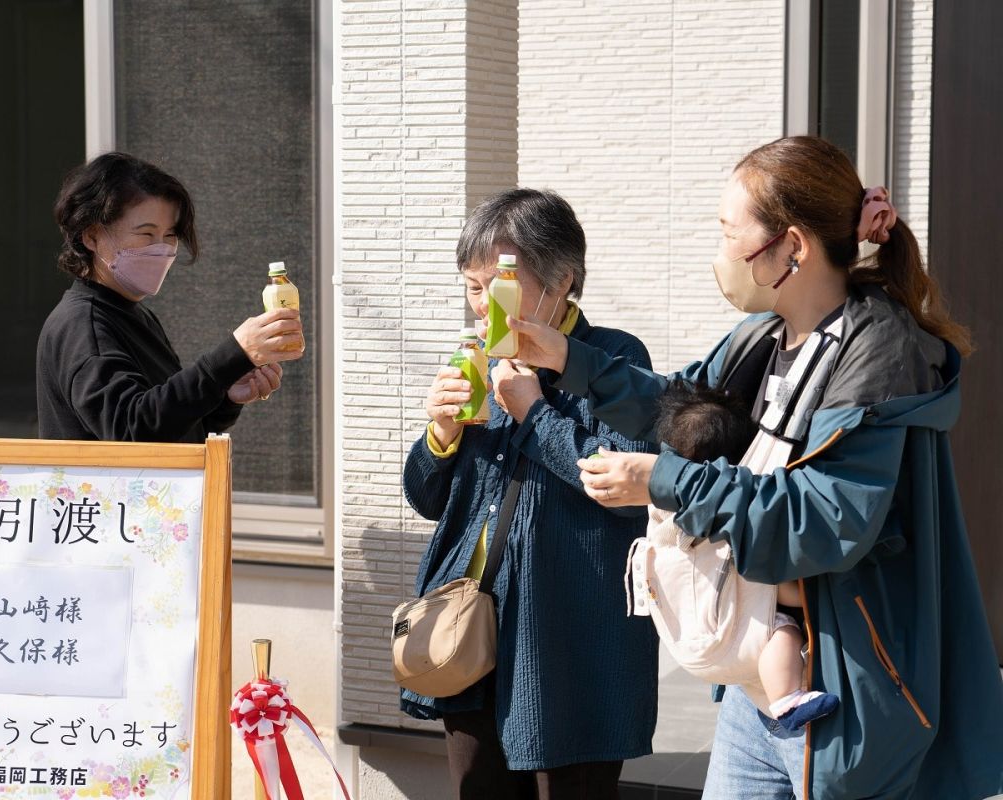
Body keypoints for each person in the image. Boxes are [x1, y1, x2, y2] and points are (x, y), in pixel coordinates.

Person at [508, 136, 1003, 799]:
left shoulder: (880, 355)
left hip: (845, 682)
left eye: (728, 234)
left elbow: (824, 519)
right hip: (760, 678)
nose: (721, 255)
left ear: (790, 248)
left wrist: (659, 480)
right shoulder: (763, 337)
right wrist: (568, 358)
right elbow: (675, 408)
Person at [402, 189, 659, 800]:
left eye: (502, 284)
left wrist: (533, 412)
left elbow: (620, 487)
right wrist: (439, 435)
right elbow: (428, 499)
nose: (484, 303)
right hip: (472, 629)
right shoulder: (476, 360)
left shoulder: (616, 359)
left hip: (571, 634)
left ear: (562, 280)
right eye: (472, 286)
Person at [37, 152, 303, 442]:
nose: (161, 248)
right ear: (92, 237)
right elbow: (132, 430)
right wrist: (230, 357)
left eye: (170, 235)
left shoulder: (134, 315)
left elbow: (173, 428)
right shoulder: (83, 326)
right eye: (146, 234)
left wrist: (226, 396)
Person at [651, 379, 838, 731]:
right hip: (737, 642)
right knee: (782, 633)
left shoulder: (665, 513)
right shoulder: (736, 518)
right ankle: (786, 700)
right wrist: (809, 596)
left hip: (687, 639)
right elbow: (783, 592)